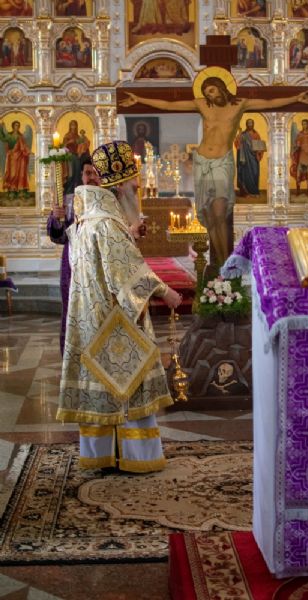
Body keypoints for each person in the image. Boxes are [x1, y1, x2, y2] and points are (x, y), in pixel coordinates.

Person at [57, 140, 182, 473]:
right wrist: (166, 291)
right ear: (118, 186)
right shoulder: (107, 225)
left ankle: (103, 454)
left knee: (104, 387)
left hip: (90, 322)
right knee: (128, 384)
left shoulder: (85, 222)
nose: (137, 187)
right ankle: (136, 456)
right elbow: (125, 275)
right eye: (132, 181)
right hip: (115, 321)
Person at [119, 72, 308, 270]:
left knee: (220, 212)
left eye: (212, 91)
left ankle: (225, 262)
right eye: (207, 93)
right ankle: (218, 265)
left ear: (221, 88)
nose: (210, 96)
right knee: (210, 216)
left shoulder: (240, 104)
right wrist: (139, 99)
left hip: (222, 163)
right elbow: (169, 105)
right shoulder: (202, 104)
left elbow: (269, 102)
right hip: (202, 162)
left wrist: (296, 98)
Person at [47, 158, 101, 356]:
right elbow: (59, 237)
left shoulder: (109, 201)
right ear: (82, 176)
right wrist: (56, 218)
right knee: (73, 312)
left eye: (95, 173)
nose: (92, 177)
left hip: (99, 268)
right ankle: (73, 358)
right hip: (73, 267)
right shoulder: (70, 201)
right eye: (88, 173)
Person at [234, 118, 265, 197]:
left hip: (254, 158)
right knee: (245, 175)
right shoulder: (243, 134)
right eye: (248, 123)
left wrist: (259, 151)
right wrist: (239, 134)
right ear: (246, 124)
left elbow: (259, 146)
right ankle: (245, 192)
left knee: (255, 173)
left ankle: (254, 192)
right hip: (245, 159)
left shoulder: (256, 134)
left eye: (251, 123)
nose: (250, 124)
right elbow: (237, 144)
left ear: (253, 124)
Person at [0, 120, 31, 197]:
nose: (17, 127)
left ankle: (20, 189)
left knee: (20, 173)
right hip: (11, 157)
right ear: (13, 126)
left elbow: (24, 146)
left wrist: (28, 152)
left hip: (20, 157)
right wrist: (1, 127)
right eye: (15, 125)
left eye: (18, 125)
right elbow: (2, 138)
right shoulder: (9, 135)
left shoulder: (20, 136)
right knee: (12, 173)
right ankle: (11, 190)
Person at [62, 119, 90, 194]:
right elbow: (63, 147)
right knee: (71, 174)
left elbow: (81, 145)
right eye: (72, 125)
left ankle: (77, 190)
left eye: (75, 125)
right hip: (69, 156)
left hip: (77, 156)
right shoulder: (67, 136)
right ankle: (69, 191)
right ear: (70, 126)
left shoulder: (78, 136)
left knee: (78, 173)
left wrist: (84, 143)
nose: (73, 127)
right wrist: (69, 142)